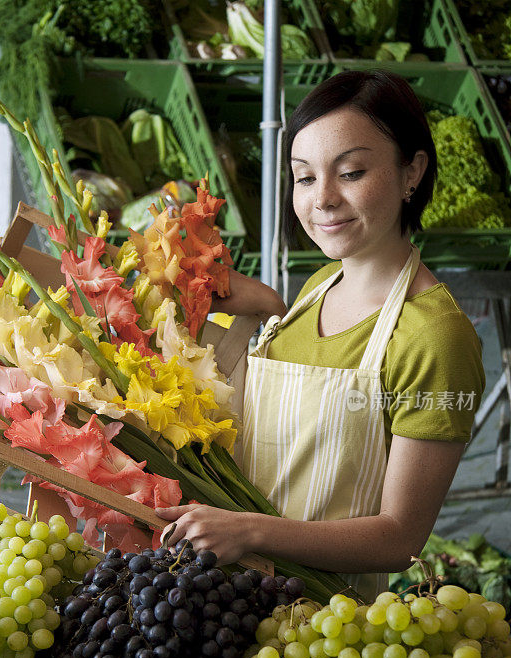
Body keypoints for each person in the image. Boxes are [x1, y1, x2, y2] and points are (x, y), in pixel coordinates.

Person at [156, 70, 485, 602]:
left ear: (412, 173)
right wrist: (270, 307)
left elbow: (400, 538)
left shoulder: (435, 337)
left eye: (351, 172)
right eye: (305, 178)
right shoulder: (317, 286)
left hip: (320, 629)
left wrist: (249, 530)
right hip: (225, 602)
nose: (324, 198)